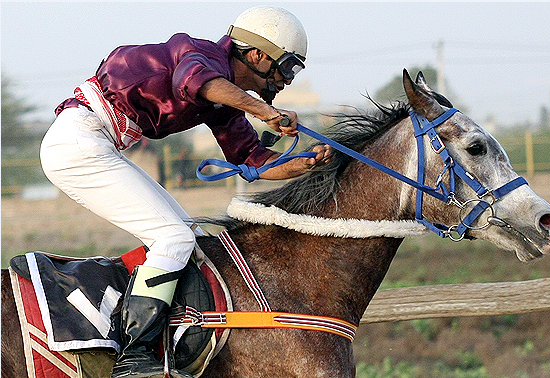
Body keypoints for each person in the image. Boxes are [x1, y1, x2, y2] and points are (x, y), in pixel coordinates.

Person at [39, 6, 331, 378]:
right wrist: (263, 111)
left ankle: (164, 336)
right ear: (256, 55)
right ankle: (134, 356)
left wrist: (305, 163)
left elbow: (252, 158)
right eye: (287, 67)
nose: (287, 80)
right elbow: (194, 81)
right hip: (79, 141)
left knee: (188, 234)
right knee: (173, 237)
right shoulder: (204, 55)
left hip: (97, 142)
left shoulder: (225, 98)